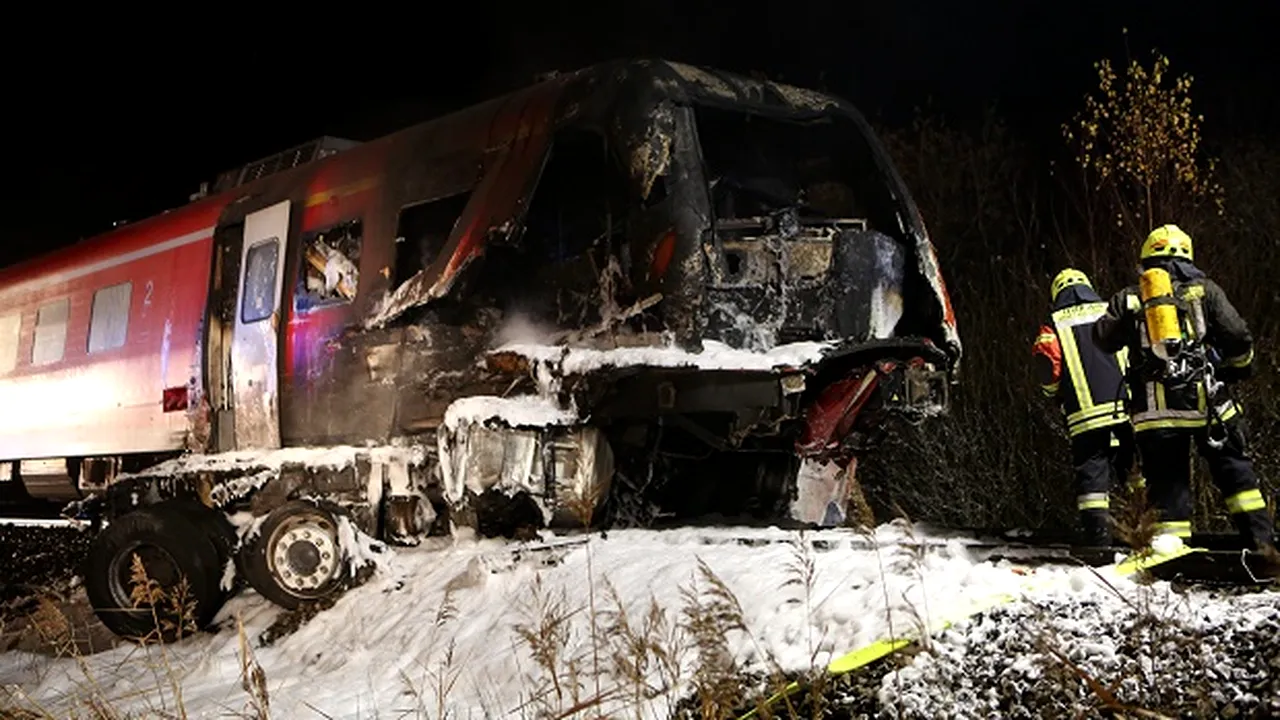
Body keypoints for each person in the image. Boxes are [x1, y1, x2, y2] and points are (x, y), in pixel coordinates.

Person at [1093, 224, 1278, 562]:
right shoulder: (1206, 291)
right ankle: (1263, 546)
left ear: (1146, 260)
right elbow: (1238, 335)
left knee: (1168, 485)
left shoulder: (1130, 297)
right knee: (1235, 472)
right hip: (1207, 406)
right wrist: (1237, 368)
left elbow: (1102, 339)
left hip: (1155, 413)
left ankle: (1175, 558)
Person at [1033, 268, 1137, 546]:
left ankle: (1099, 540)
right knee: (1134, 473)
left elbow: (1048, 367)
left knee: (1093, 482)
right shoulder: (1110, 311)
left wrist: (1054, 395)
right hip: (1124, 411)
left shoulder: (1054, 324)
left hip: (1085, 418)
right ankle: (1145, 532)